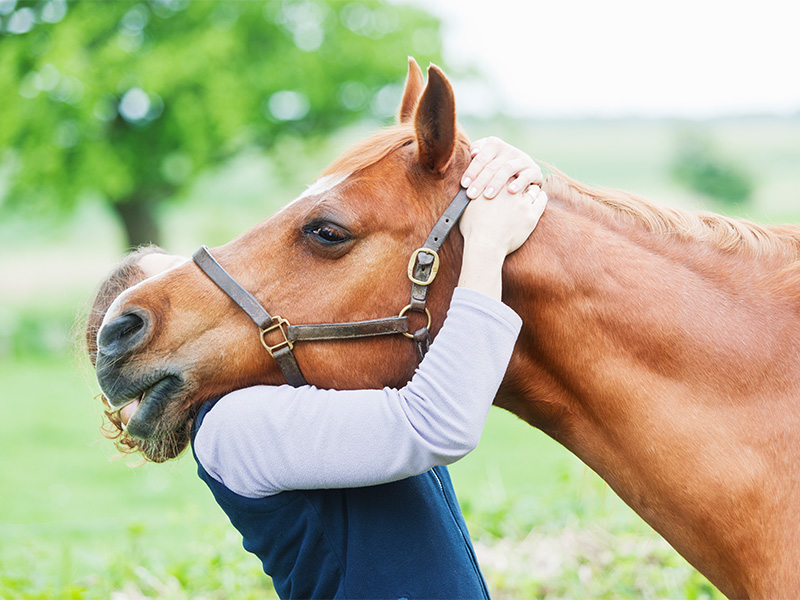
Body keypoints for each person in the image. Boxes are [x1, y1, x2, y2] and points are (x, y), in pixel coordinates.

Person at [86, 138, 547, 599]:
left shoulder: (302, 387)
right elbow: (433, 425)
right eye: (171, 285)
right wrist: (487, 243)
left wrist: (492, 174)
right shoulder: (231, 429)